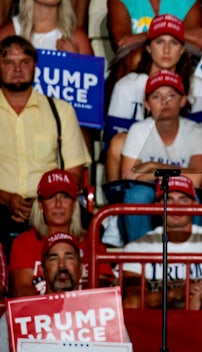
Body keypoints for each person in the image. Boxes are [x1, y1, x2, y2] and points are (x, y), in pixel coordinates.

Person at [0, 35, 90, 254]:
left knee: (92, 226)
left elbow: (74, 173)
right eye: (9, 62)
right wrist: (6, 198)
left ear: (35, 67)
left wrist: (45, 200)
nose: (17, 68)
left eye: (25, 62)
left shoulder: (61, 111)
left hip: (47, 203)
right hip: (1, 202)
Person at [112, 69, 202, 245]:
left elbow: (195, 179)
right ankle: (141, 258)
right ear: (146, 104)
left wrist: (151, 167)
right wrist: (174, 174)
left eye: (171, 95)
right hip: (151, 194)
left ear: (183, 100)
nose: (164, 102)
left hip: (182, 193)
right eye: (157, 97)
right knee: (137, 195)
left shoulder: (197, 132)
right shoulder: (138, 130)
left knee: (191, 196)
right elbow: (128, 176)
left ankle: (192, 260)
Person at [120, 175, 202, 311]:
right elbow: (134, 295)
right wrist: (177, 293)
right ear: (157, 205)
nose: (176, 207)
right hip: (154, 320)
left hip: (198, 313)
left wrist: (195, 294)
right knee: (132, 303)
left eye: (183, 200)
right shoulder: (136, 248)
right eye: (168, 200)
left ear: (195, 204)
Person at [1, 232, 128, 352]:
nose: (62, 266)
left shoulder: (104, 314)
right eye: (53, 259)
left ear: (81, 268)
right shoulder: (17, 316)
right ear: (42, 270)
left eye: (69, 258)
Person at [9, 169, 110, 297]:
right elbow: (22, 291)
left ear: (74, 204)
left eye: (65, 197)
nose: (58, 204)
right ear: (40, 204)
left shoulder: (92, 244)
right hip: (41, 314)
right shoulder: (24, 242)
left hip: (83, 314)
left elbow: (102, 293)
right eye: (51, 197)